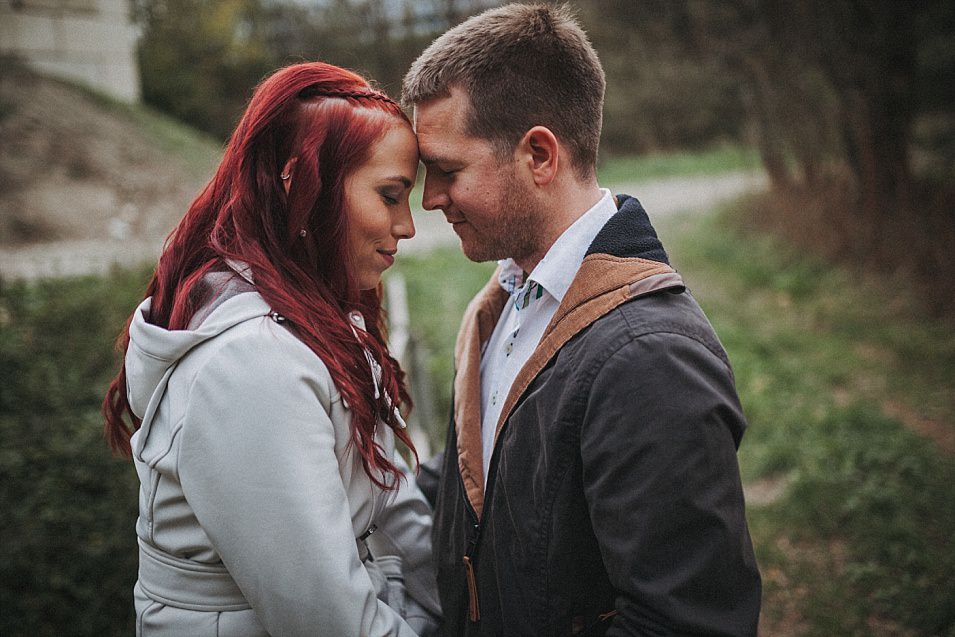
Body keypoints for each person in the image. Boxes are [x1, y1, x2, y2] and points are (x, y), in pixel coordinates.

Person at [402, 4, 762, 635]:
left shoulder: (650, 360)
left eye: (448, 170)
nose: (429, 198)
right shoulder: (502, 308)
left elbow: (685, 624)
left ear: (539, 155)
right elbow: (470, 489)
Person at [103, 62, 441, 636]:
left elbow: (388, 494)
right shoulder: (251, 367)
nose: (407, 226)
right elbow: (327, 619)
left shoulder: (319, 316)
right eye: (390, 195)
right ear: (298, 185)